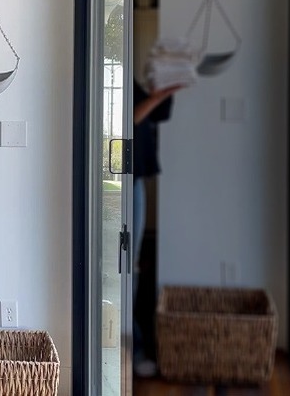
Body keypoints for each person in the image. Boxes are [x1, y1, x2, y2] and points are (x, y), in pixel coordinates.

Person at [132, 79, 182, 378]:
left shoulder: (133, 78)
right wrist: (157, 96)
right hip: (123, 176)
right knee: (127, 269)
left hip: (134, 176)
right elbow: (128, 119)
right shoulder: (113, 71)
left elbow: (159, 115)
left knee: (132, 268)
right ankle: (133, 349)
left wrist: (159, 94)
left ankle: (133, 346)